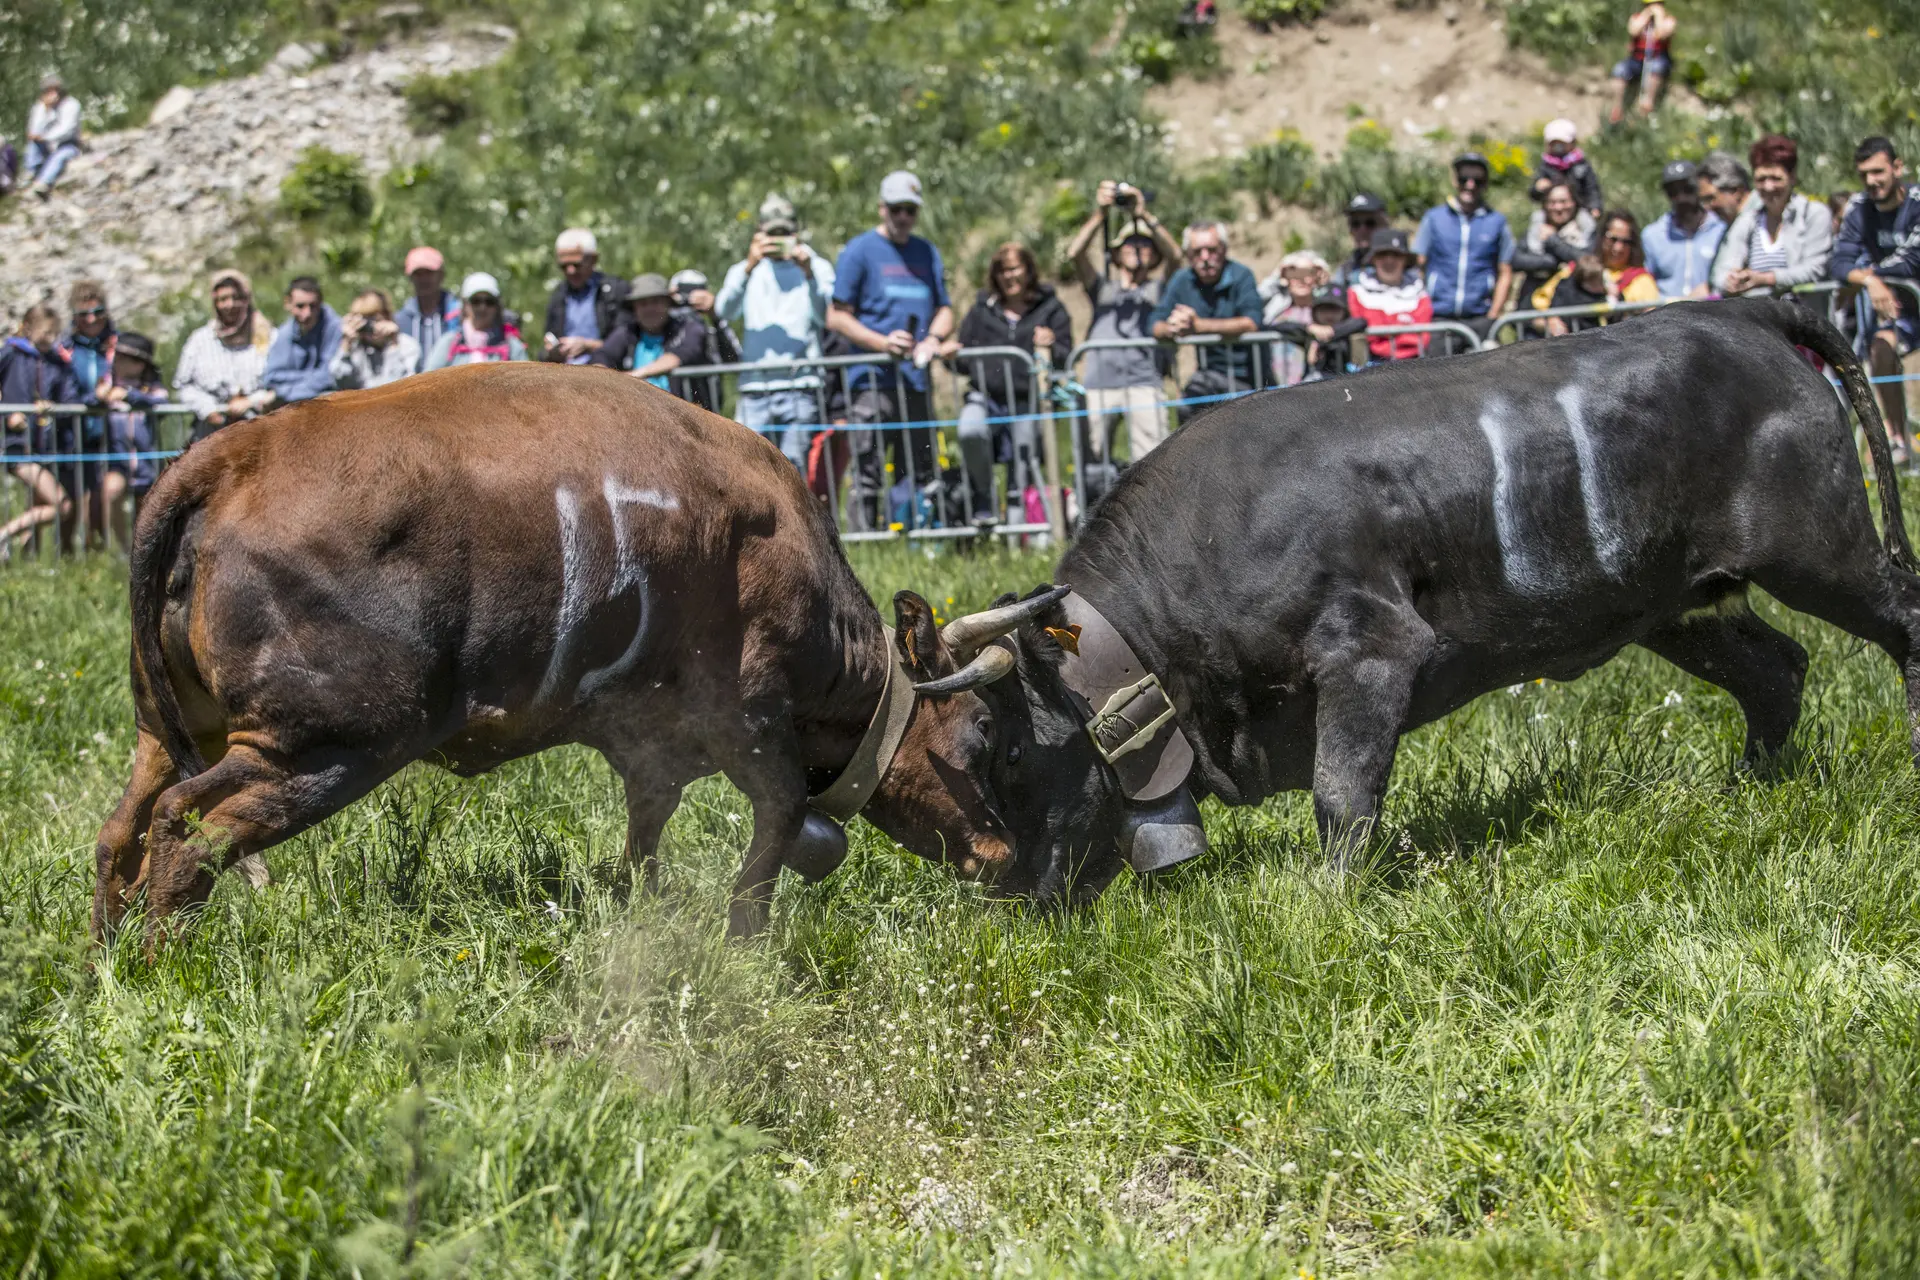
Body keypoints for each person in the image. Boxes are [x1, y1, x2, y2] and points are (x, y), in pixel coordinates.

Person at [827, 169, 956, 530]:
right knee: (867, 466)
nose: (903, 217)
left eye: (910, 210)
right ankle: (865, 544)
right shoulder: (859, 251)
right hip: (871, 380)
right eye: (897, 209)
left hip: (915, 380)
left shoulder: (926, 251)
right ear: (882, 208)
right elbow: (837, 317)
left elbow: (944, 308)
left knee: (918, 463)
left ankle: (915, 536)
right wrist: (882, 343)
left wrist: (933, 338)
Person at [1066, 180, 1183, 475]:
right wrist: (1100, 214)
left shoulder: (1159, 290)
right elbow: (1075, 254)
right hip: (1099, 384)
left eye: (1145, 245)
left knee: (1152, 462)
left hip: (1144, 381)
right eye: (1130, 244)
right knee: (1090, 463)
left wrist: (1143, 214)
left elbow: (1176, 256)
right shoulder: (1103, 290)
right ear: (1116, 254)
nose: (1137, 249)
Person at [952, 242, 1072, 527]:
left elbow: (1066, 355)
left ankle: (1017, 534)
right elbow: (962, 358)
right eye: (1003, 271)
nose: (1009, 276)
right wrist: (951, 354)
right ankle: (984, 496)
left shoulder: (1051, 309)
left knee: (1022, 464)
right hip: (985, 397)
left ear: (1029, 270)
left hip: (1028, 401)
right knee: (969, 431)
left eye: (1015, 268)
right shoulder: (982, 310)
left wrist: (1051, 345)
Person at [714, 194, 837, 471]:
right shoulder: (745, 269)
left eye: (785, 232)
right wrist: (748, 267)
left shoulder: (817, 267)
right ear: (759, 232)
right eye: (772, 233)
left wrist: (808, 274)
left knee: (794, 472)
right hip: (755, 389)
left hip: (801, 388)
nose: (779, 239)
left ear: (796, 233)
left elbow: (827, 317)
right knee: (747, 470)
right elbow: (723, 312)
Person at [1832, 137, 1920, 460]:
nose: (1871, 181)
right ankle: (1899, 441)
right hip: (1897, 314)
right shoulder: (1858, 207)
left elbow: (1912, 260)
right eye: (1864, 174)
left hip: (1911, 302)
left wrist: (1872, 276)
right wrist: (1870, 280)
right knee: (1880, 350)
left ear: (1898, 167)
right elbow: (1839, 263)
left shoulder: (1917, 202)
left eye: (1878, 171)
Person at [1150, 220, 1263, 424]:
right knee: (1186, 410)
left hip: (1249, 377)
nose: (1205, 258)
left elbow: (1251, 322)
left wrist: (1199, 327)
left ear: (1224, 249)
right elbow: (1155, 323)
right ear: (1188, 254)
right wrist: (1173, 327)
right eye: (1197, 252)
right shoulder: (1181, 279)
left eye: (1212, 250)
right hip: (1208, 374)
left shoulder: (1242, 275)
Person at [0, 306, 82, 558]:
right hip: (15, 445)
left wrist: (52, 408)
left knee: (39, 504)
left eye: (54, 333)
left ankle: (27, 562)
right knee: (61, 505)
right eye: (46, 332)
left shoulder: (56, 361)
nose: (51, 338)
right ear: (28, 328)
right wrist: (6, 413)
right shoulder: (11, 354)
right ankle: (4, 534)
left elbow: (69, 398)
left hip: (44, 445)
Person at [1413, 153, 1515, 348]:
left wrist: (1493, 315)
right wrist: (1422, 308)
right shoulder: (1434, 218)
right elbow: (1418, 264)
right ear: (1454, 180)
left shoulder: (1497, 221)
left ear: (1485, 183)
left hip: (1480, 318)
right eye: (1464, 178)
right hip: (1439, 318)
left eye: (1478, 179)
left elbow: (1505, 271)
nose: (1470, 185)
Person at [1713, 135, 1834, 299]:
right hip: (1760, 320)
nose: (1768, 187)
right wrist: (1731, 281)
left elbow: (1815, 269)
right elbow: (1721, 272)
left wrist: (1765, 279)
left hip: (1805, 318)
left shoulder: (1814, 214)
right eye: (1761, 179)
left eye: (1776, 178)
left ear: (1792, 178)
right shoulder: (1748, 221)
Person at [173, 268, 277, 435]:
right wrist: (207, 409)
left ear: (246, 300)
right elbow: (184, 385)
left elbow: (281, 382)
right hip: (211, 433)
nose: (230, 305)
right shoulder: (200, 340)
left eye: (236, 298)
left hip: (258, 430)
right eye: (223, 299)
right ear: (215, 302)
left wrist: (250, 401)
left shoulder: (267, 335)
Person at [58, 281, 120, 546]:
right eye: (84, 314)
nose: (91, 319)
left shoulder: (116, 344)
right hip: (74, 435)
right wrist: (95, 398)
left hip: (111, 434)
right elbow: (64, 390)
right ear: (74, 316)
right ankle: (73, 559)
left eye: (97, 311)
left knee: (103, 496)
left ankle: (99, 554)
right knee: (75, 500)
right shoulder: (65, 350)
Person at [591, 274, 710, 405]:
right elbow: (603, 355)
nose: (649, 309)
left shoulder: (687, 328)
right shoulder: (627, 332)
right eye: (643, 304)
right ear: (634, 308)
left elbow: (685, 353)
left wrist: (632, 378)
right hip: (634, 410)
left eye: (656, 302)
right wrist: (602, 377)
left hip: (682, 412)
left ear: (668, 304)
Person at [1534, 211, 1658, 333]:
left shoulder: (1641, 280)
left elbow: (1653, 324)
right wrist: (1550, 321)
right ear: (1602, 237)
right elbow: (1535, 310)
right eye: (1612, 239)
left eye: (1626, 242)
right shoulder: (1576, 270)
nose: (1618, 248)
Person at [98, 330, 168, 546]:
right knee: (110, 492)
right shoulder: (107, 383)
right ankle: (122, 549)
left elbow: (162, 403)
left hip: (147, 464)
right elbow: (88, 398)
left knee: (147, 514)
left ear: (139, 364)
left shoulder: (153, 388)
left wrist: (130, 396)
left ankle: (143, 553)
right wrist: (99, 396)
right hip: (119, 461)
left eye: (123, 357)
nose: (116, 360)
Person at [1510, 181, 1597, 322]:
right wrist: (1551, 262)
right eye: (1552, 202)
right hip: (1532, 311)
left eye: (1563, 201)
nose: (1558, 207)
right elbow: (1516, 260)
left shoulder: (1586, 230)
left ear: (1574, 203)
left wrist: (1553, 242)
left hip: (1573, 312)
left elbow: (1586, 259)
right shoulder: (1535, 230)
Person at [1642, 159, 1726, 299]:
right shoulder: (1652, 235)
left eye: (1687, 189)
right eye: (1672, 192)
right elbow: (1645, 280)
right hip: (1666, 315)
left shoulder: (1721, 230)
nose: (1681, 198)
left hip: (1711, 314)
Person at [1346, 228, 1433, 362]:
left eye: (1396, 255)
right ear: (1373, 259)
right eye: (1382, 255)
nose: (1389, 260)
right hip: (1372, 366)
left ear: (1405, 259)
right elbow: (1364, 336)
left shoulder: (1420, 294)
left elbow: (1422, 338)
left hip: (1414, 365)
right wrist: (1401, 330)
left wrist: (1383, 334)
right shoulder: (1357, 293)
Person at [541, 228, 627, 364]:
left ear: (593, 260)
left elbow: (628, 339)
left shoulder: (614, 290)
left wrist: (589, 346)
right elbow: (549, 337)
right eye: (564, 266)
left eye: (577, 264)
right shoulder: (559, 294)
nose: (570, 271)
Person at [262, 277, 344, 404]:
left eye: (313, 306)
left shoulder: (336, 328)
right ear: (287, 304)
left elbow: (330, 377)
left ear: (321, 303)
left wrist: (283, 392)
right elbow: (271, 377)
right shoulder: (285, 332)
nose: (307, 314)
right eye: (300, 306)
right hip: (299, 400)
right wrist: (311, 377)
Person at [423, 273, 530, 368]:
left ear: (497, 306)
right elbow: (426, 383)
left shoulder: (512, 347)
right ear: (465, 305)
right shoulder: (449, 343)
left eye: (489, 301)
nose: (482, 307)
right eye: (476, 301)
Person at [1260, 250, 1333, 385]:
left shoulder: (1325, 306)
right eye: (1295, 274)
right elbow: (1259, 296)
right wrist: (1279, 273)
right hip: (1277, 383)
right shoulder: (1276, 304)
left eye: (1307, 274)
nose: (1301, 280)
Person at [330, 289, 422, 390]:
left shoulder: (407, 345)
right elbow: (341, 383)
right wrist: (346, 344)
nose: (370, 327)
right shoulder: (355, 346)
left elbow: (401, 387)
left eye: (374, 319)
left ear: (387, 316)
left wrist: (393, 345)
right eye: (364, 322)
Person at [1270, 285, 1367, 381]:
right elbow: (1278, 326)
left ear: (1344, 311)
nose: (1329, 315)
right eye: (1324, 309)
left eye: (1334, 309)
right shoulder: (1309, 334)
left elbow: (1361, 322)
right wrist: (1308, 328)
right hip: (1315, 384)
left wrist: (1332, 332)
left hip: (1345, 382)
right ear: (1314, 312)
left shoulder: (1347, 329)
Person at [1609, 0, 1676, 124]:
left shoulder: (1668, 20)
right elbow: (1633, 31)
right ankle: (1617, 109)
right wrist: (1645, 16)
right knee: (1619, 70)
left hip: (1657, 58)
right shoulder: (1636, 18)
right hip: (1637, 59)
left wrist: (1658, 17)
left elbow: (1661, 34)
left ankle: (1647, 102)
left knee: (1657, 67)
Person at [395, 245, 461, 367]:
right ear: (410, 278)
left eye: (429, 273)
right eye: (418, 274)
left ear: (441, 275)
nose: (423, 279)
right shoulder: (400, 321)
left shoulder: (459, 315)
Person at [23, 75, 81, 198]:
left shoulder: (71, 105)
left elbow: (67, 130)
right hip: (46, 144)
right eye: (48, 90)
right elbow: (33, 131)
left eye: (54, 90)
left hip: (67, 143)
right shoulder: (40, 107)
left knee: (59, 156)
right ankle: (31, 173)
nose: (52, 93)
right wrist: (46, 109)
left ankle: (43, 182)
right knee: (33, 145)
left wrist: (46, 137)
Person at [1531, 119, 1604, 217]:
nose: (1558, 147)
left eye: (1561, 143)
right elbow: (1533, 195)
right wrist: (1538, 188)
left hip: (1579, 211)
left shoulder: (1581, 165)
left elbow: (1592, 189)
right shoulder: (1545, 166)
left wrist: (1595, 207)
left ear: (1573, 142)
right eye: (1554, 143)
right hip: (1552, 213)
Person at [1330, 191, 1389, 288]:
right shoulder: (1346, 271)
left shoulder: (1399, 266)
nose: (1362, 230)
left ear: (1384, 226)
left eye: (1370, 223)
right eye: (1355, 224)